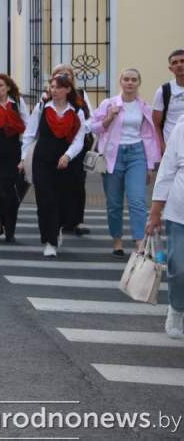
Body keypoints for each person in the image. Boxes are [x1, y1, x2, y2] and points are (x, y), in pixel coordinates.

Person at [90, 69, 160, 256]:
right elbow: (93, 127)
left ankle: (139, 242)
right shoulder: (109, 103)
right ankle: (117, 240)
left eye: (134, 80)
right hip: (113, 156)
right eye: (126, 79)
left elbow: (149, 137)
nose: (130, 83)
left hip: (137, 154)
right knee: (114, 203)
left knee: (137, 200)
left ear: (138, 83)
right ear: (121, 82)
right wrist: (109, 117)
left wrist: (150, 165)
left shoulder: (144, 107)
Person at [21, 75, 89, 257]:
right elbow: (29, 134)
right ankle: (49, 241)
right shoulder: (42, 107)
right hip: (43, 159)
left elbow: (79, 139)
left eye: (58, 87)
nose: (54, 90)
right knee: (45, 200)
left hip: (66, 162)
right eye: (52, 87)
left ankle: (57, 227)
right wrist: (23, 158)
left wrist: (67, 156)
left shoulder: (77, 111)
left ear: (68, 89)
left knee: (63, 200)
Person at [146, 120, 184, 339]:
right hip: (179, 214)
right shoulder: (181, 128)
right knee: (179, 267)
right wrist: (155, 211)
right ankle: (177, 308)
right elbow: (167, 171)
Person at [0, 74, 29, 244]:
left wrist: (24, 156)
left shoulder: (17, 103)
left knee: (9, 192)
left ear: (8, 87)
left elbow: (28, 127)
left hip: (12, 152)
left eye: (0, 85)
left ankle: (10, 229)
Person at [153, 49, 184, 153]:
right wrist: (162, 147)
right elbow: (156, 124)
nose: (179, 65)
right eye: (175, 63)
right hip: (172, 147)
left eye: (182, 61)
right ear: (171, 69)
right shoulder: (163, 90)